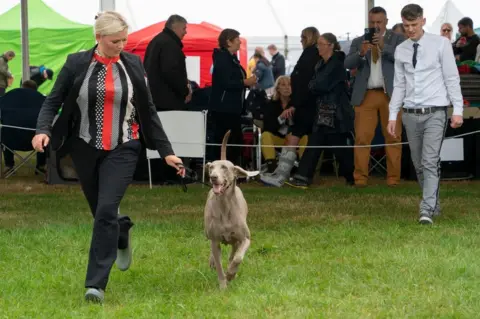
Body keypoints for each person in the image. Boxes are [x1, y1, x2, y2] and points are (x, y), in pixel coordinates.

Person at [32, 11, 185, 303]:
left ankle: (95, 285)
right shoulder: (77, 63)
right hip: (84, 147)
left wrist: (167, 152)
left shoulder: (133, 64)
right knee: (102, 212)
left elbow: (148, 110)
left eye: (125, 40)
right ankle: (121, 228)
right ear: (98, 38)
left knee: (104, 211)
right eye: (116, 41)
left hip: (124, 146)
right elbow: (53, 99)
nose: (122, 45)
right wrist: (42, 130)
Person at [387, 4, 463, 225]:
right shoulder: (401, 50)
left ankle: (426, 209)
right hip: (410, 113)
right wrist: (393, 115)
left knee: (430, 161)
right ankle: (434, 204)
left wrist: (457, 110)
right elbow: (399, 85)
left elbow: (451, 77)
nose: (410, 29)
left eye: (413, 24)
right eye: (406, 25)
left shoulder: (441, 44)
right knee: (418, 164)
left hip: (435, 112)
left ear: (423, 20)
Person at [345, 6, 405, 187]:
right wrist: (361, 53)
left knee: (393, 137)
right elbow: (347, 63)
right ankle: (360, 179)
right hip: (366, 95)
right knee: (362, 138)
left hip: (391, 95)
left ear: (386, 21)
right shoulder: (358, 41)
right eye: (372, 22)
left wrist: (383, 47)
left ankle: (393, 179)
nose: (376, 25)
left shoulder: (398, 39)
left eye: (379, 22)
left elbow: (403, 59)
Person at [286, 33, 354, 188]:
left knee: (339, 147)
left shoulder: (338, 63)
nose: (318, 47)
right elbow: (314, 84)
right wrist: (315, 85)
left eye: (321, 44)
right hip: (322, 110)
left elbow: (321, 85)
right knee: (315, 142)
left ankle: (352, 176)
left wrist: (315, 85)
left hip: (336, 112)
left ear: (330, 45)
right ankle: (302, 177)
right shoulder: (320, 64)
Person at [260, 27, 321, 187]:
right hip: (301, 110)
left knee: (300, 138)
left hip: (305, 106)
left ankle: (287, 175)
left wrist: (294, 105)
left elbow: (305, 83)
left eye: (302, 37)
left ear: (309, 37)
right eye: (283, 84)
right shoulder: (272, 104)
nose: (300, 40)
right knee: (293, 138)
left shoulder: (310, 55)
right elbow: (269, 126)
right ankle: (285, 174)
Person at [208, 28, 256, 165]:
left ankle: (228, 168)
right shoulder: (223, 58)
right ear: (228, 42)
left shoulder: (231, 58)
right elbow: (225, 82)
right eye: (237, 40)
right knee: (227, 140)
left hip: (231, 107)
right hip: (224, 108)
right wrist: (245, 82)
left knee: (233, 140)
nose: (240, 43)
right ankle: (223, 168)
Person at [143, 14, 191, 111]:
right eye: (184, 28)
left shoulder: (156, 41)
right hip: (168, 101)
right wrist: (185, 91)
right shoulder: (170, 44)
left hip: (155, 98)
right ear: (174, 27)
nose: (185, 32)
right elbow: (172, 72)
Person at [261, 75, 308, 173]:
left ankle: (303, 169)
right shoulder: (271, 104)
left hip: (295, 138)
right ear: (278, 88)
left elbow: (305, 125)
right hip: (279, 138)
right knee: (265, 135)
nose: (287, 87)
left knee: (306, 138)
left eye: (289, 84)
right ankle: (272, 167)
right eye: (283, 85)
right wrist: (280, 118)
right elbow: (267, 127)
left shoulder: (298, 104)